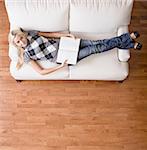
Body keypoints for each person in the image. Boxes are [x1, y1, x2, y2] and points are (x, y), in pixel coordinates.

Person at [9, 28, 142, 75]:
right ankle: (127, 39)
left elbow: (50, 34)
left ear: (23, 35)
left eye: (20, 37)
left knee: (97, 42)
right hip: (63, 57)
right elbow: (41, 72)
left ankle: (127, 42)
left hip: (65, 43)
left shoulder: (32, 34)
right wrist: (60, 66)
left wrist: (66, 35)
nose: (21, 41)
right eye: (18, 42)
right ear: (17, 45)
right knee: (96, 48)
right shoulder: (26, 55)